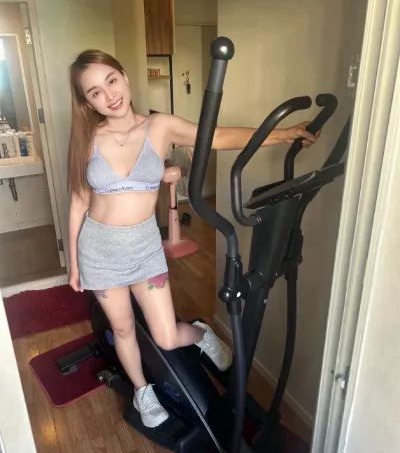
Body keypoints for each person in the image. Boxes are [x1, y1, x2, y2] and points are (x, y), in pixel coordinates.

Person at [67, 49, 320, 429]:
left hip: (143, 249)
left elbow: (217, 137)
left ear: (124, 77)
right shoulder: (88, 138)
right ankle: (141, 390)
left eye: (111, 81)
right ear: (88, 103)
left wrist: (282, 134)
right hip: (98, 250)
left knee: (167, 337)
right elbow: (78, 202)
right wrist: (74, 263)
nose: (109, 95)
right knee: (122, 328)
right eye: (95, 92)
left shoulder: (160, 126)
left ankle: (201, 334)